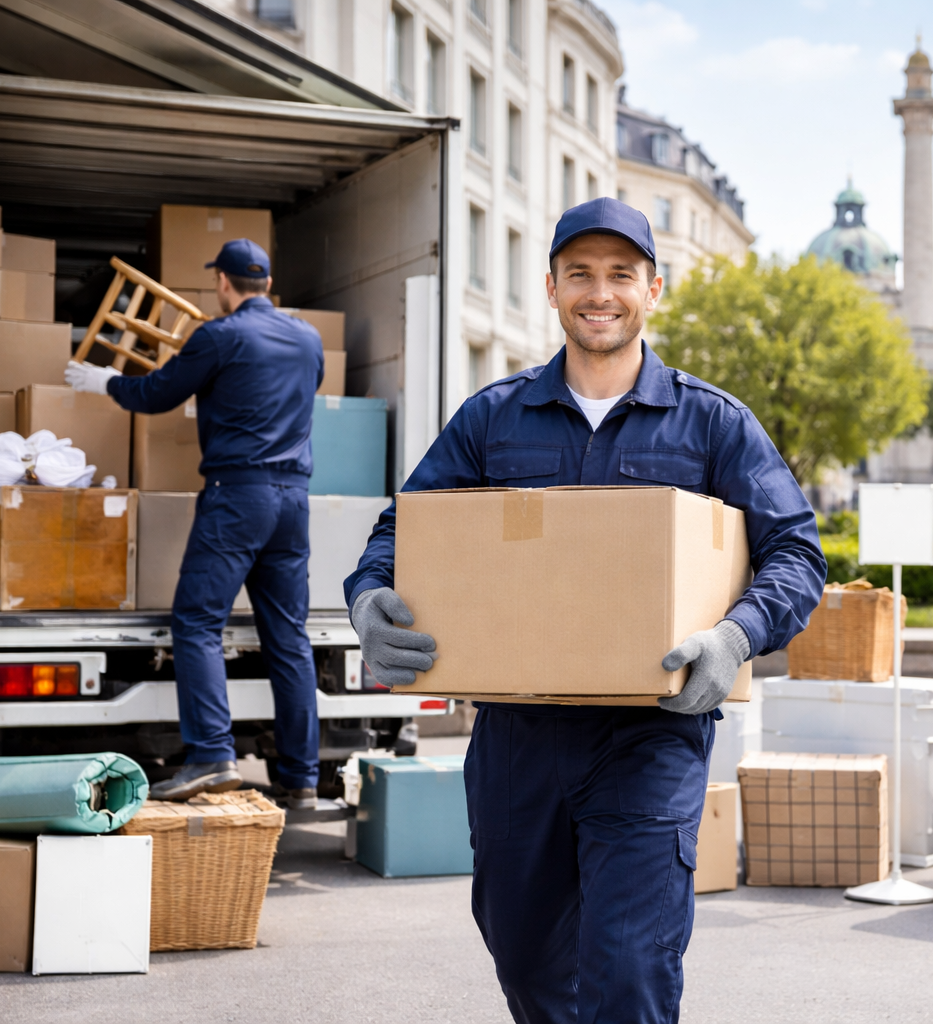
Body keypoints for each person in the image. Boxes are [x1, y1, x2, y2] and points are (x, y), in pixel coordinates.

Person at [344, 198, 825, 1024]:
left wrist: (735, 636)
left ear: (653, 289)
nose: (601, 294)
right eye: (581, 275)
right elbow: (405, 530)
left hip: (651, 733)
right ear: (552, 288)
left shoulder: (712, 423)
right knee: (525, 956)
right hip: (517, 737)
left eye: (621, 275)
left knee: (630, 966)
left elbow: (796, 552)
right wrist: (368, 601)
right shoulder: (494, 417)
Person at [65, 239, 325, 809]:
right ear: (267, 283)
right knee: (288, 638)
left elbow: (158, 393)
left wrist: (102, 382)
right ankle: (301, 778)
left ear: (224, 283)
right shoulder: (309, 338)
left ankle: (211, 755)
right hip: (293, 501)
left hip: (239, 498)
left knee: (197, 622)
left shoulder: (219, 335)